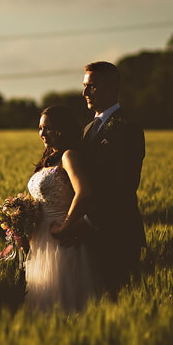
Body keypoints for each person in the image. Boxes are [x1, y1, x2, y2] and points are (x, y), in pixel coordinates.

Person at [54, 61, 145, 296]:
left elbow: (123, 185)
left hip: (117, 233)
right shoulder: (88, 128)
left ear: (111, 88)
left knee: (117, 301)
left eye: (91, 86)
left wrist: (90, 221)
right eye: (84, 86)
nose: (84, 92)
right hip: (86, 236)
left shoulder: (128, 127)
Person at [24, 105, 97, 311]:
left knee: (64, 299)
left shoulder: (68, 156)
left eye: (48, 128)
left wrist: (66, 227)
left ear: (61, 129)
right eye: (40, 128)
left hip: (61, 238)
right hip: (41, 239)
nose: (42, 133)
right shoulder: (48, 159)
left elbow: (84, 193)